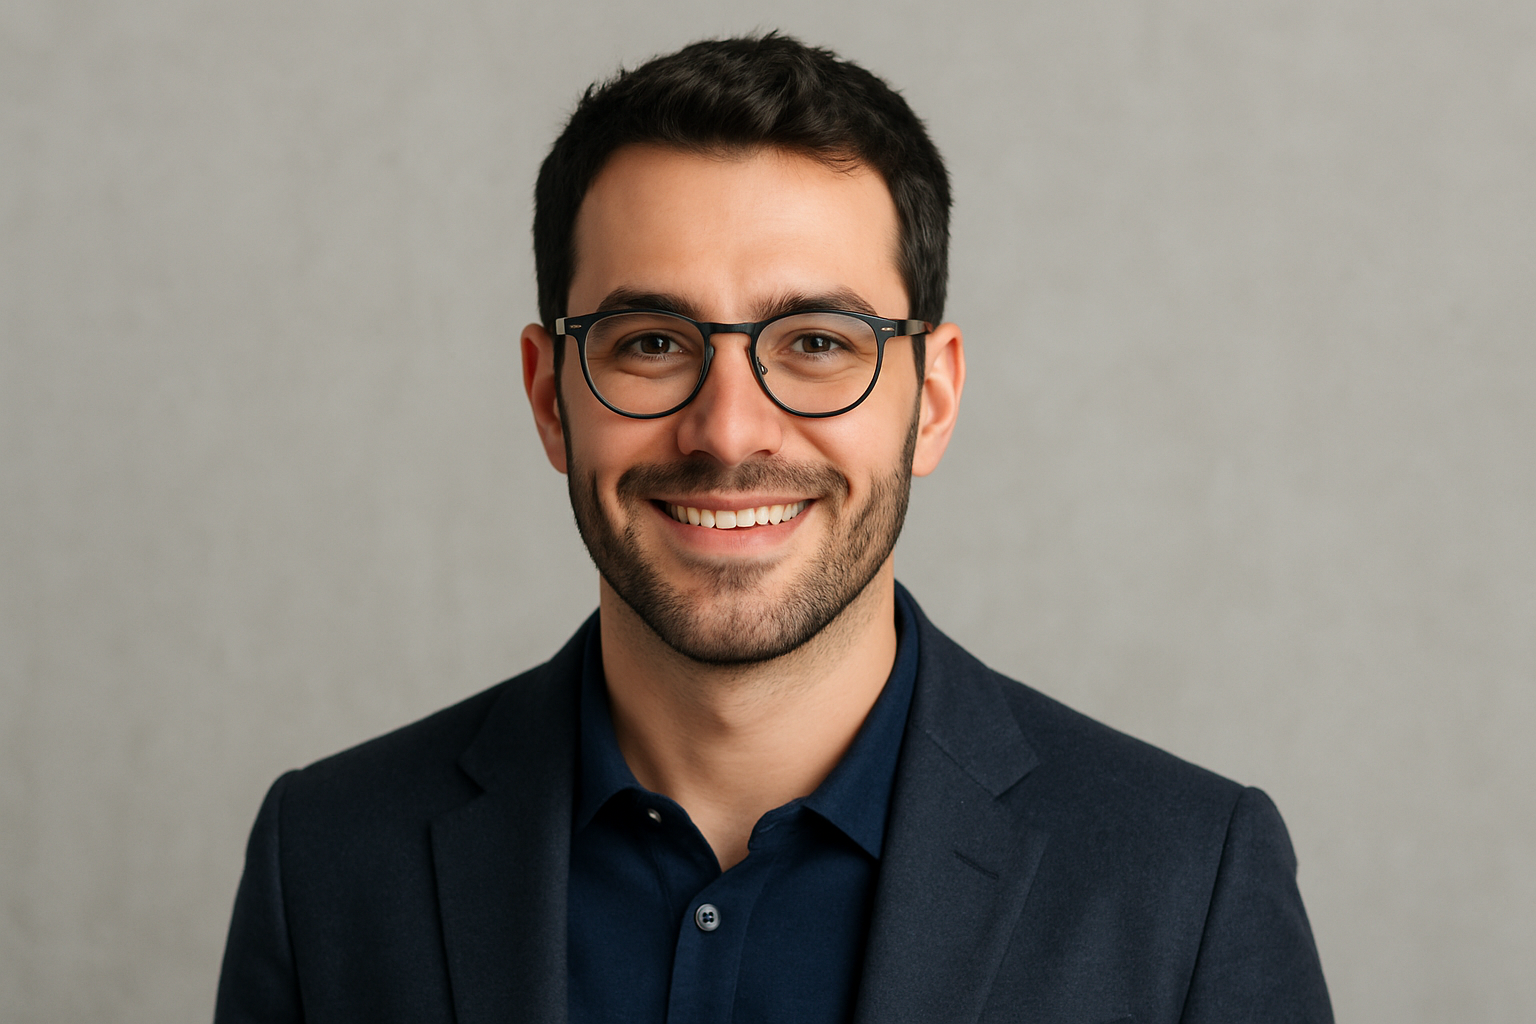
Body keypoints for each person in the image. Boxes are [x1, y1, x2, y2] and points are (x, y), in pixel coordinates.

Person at [214, 33, 1332, 1024]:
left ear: (931, 399)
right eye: (651, 341)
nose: (729, 429)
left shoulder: (1186, 882)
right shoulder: (328, 861)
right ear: (552, 394)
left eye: (817, 342)